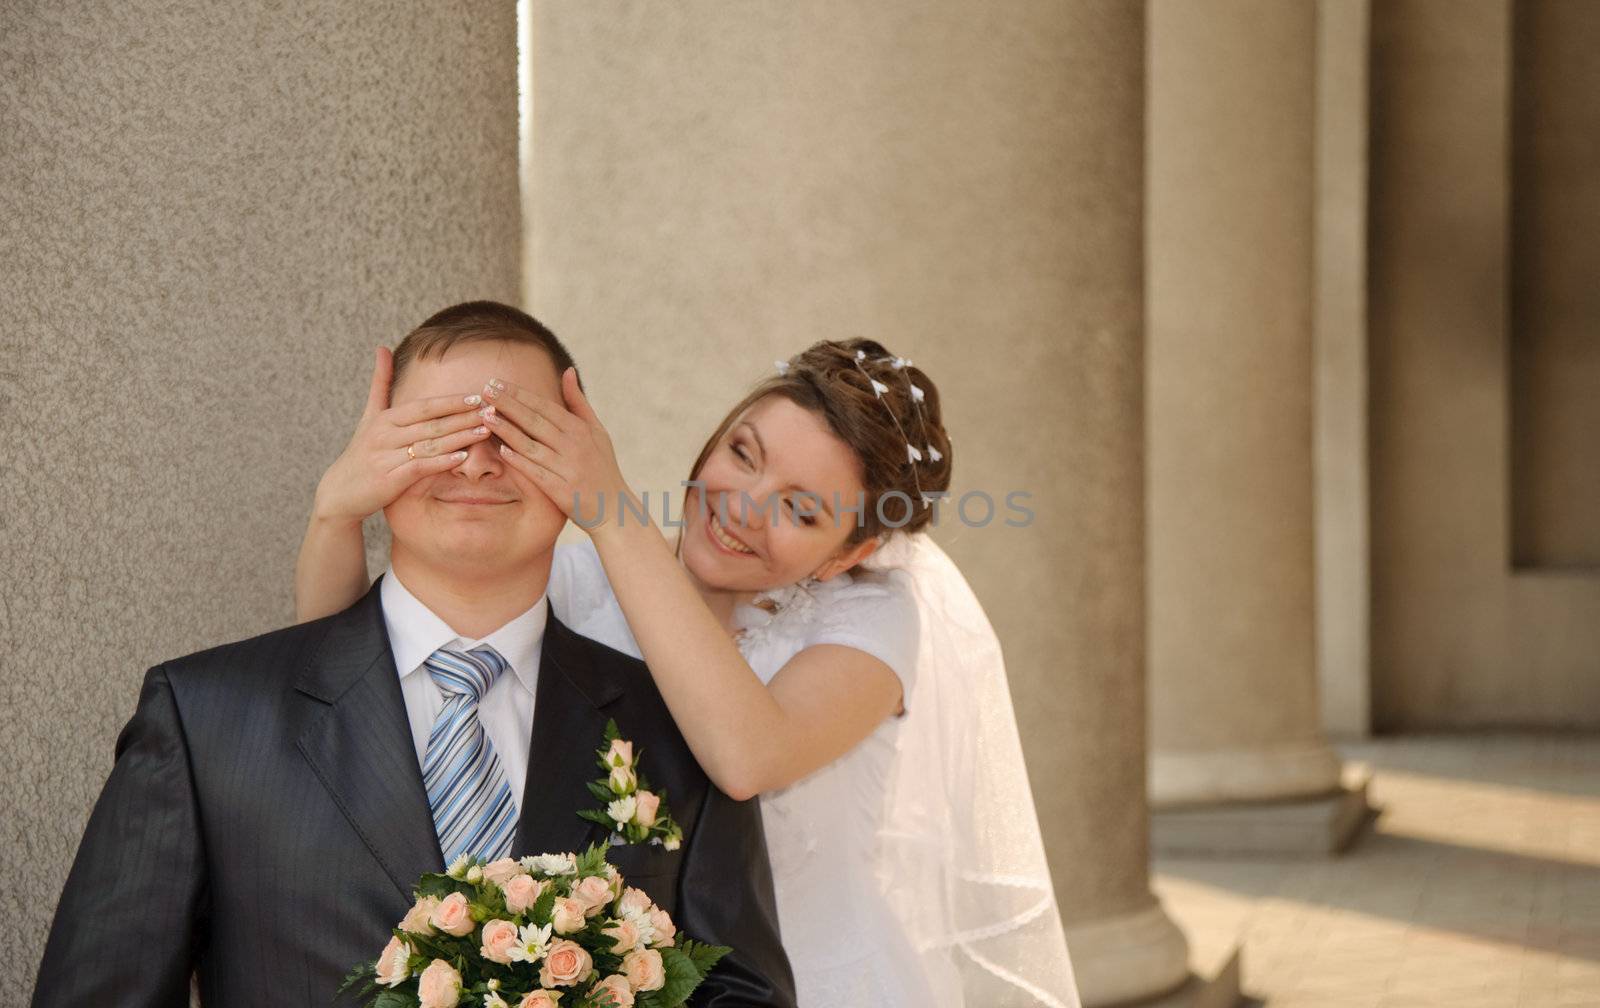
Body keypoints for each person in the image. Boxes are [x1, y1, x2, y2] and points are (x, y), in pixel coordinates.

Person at [32, 302, 796, 1008]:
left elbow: (742, 991)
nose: (475, 464)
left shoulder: (679, 731)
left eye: (517, 434)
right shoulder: (207, 718)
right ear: (376, 452)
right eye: (440, 432)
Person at [298, 326, 1082, 1007]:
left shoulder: (872, 618)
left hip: (822, 986)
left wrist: (610, 510)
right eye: (743, 453)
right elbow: (354, 682)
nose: (742, 505)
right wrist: (338, 513)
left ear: (854, 552)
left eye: (800, 509)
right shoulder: (576, 586)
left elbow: (748, 756)